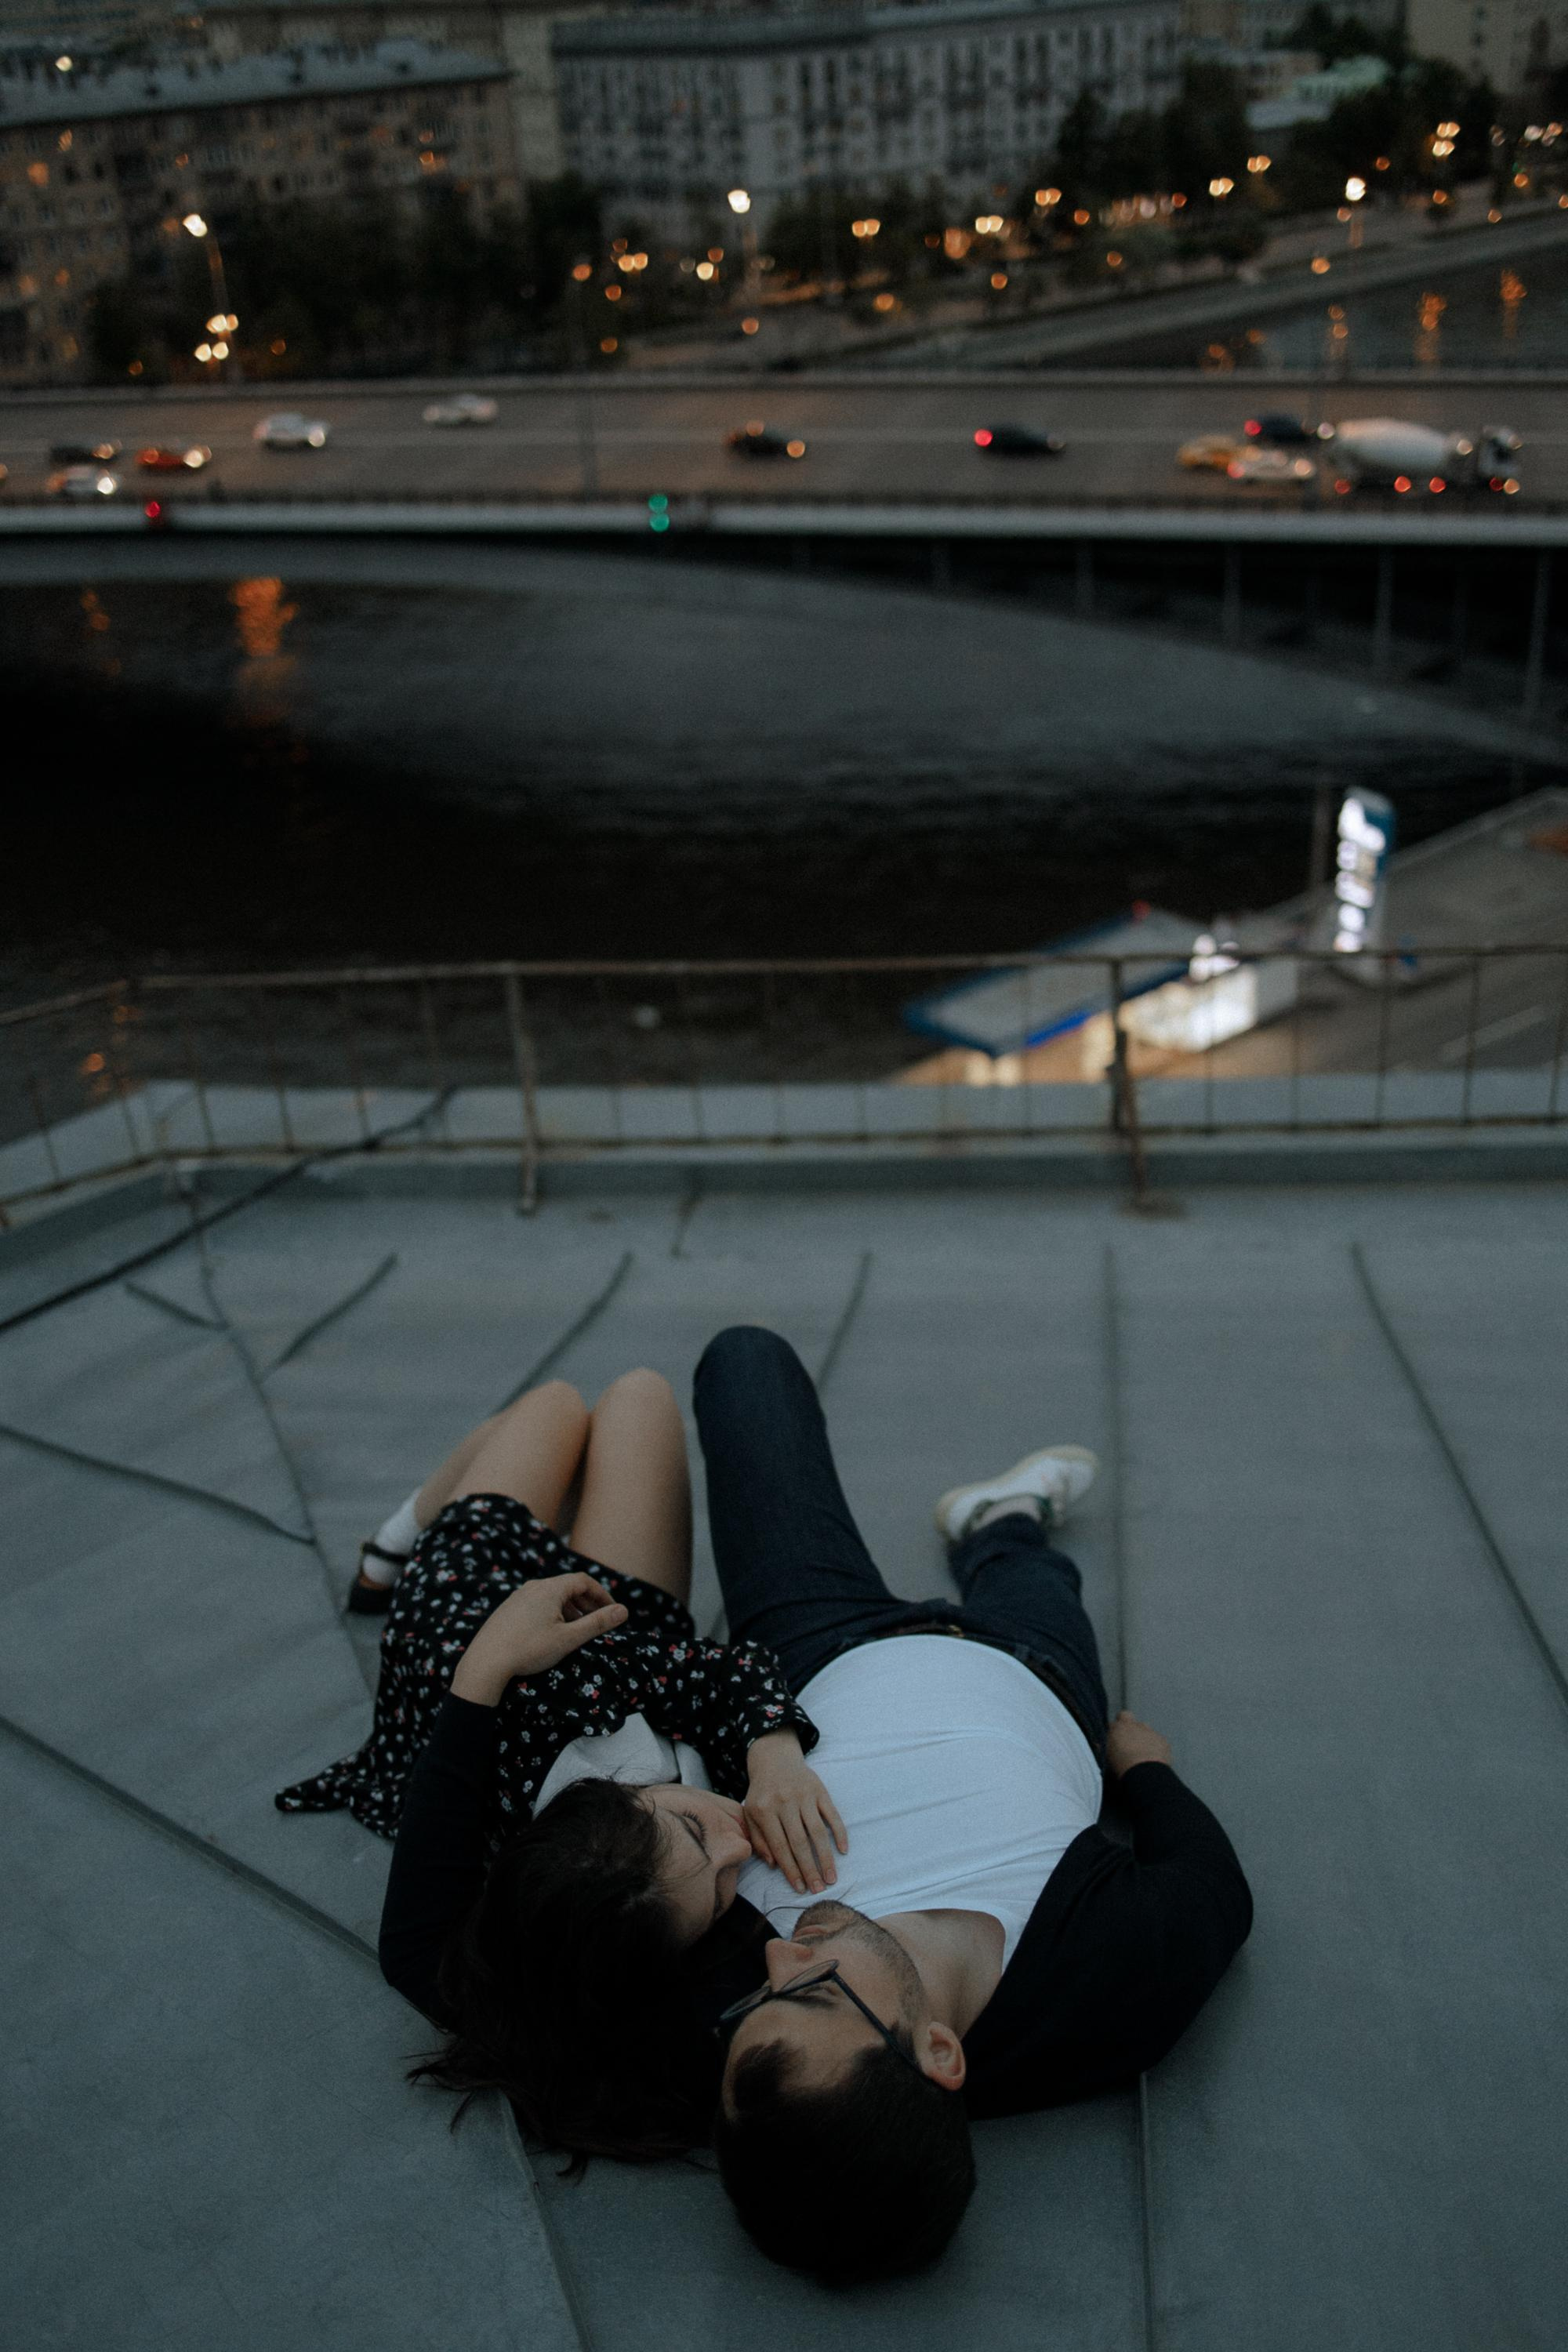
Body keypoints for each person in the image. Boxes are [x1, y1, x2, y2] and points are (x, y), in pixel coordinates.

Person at [688, 1325, 1254, 2285]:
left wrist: (762, 1742)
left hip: (809, 1654)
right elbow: (1213, 1890)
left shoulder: (756, 2045)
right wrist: (1143, 1770)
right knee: (1031, 1573)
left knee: (744, 1364)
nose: (776, 1956)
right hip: (1032, 1672)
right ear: (939, 2051)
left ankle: (997, 1535)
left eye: (751, 2000)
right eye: (812, 1987)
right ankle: (1000, 1521)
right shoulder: (1108, 1986)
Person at [275, 1369, 845, 2160]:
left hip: (464, 1607)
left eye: (692, 1828)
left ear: (611, 1793)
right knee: (636, 1395)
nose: (737, 1844)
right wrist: (769, 1754)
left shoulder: (584, 1714)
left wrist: (484, 1671)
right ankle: (439, 1502)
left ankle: (391, 1550)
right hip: (610, 1622)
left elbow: (730, 1673)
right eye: (718, 1881)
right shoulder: (611, 1933)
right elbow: (719, 1675)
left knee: (557, 1405)